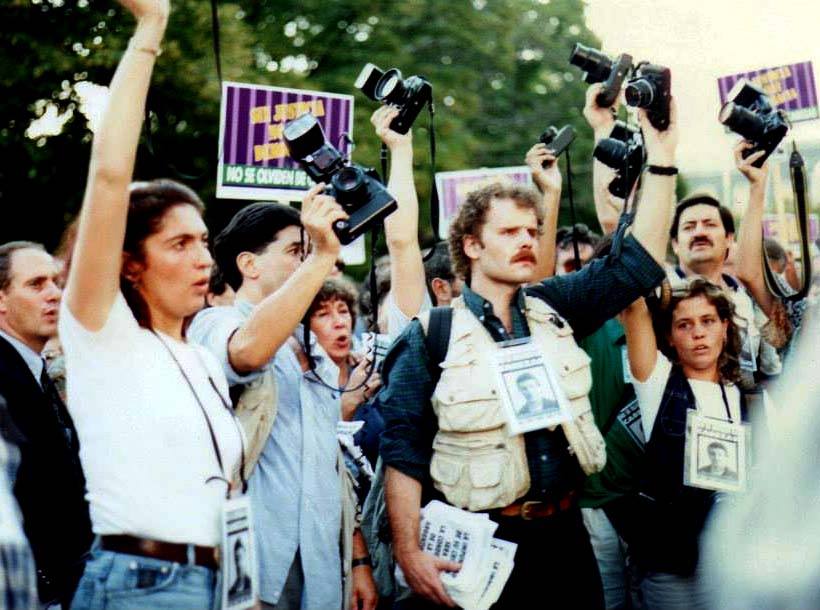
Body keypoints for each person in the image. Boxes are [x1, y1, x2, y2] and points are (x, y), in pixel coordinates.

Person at [379, 98, 679, 609]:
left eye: (533, 232)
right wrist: (408, 549)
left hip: (567, 538)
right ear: (472, 246)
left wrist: (664, 156)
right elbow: (402, 447)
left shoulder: (555, 308)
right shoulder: (432, 335)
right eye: (510, 232)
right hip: (487, 545)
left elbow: (639, 263)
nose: (527, 241)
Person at [60, 0, 245, 606]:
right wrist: (149, 33)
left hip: (220, 584)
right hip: (144, 583)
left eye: (204, 242)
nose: (203, 259)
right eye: (180, 243)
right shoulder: (101, 331)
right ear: (129, 263)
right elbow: (109, 178)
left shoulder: (199, 357)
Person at [189, 202, 378, 610]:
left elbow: (331, 460)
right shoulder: (214, 325)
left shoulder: (312, 345)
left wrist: (358, 558)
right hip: (259, 564)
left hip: (324, 561)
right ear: (249, 265)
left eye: (310, 251)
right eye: (297, 252)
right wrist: (324, 256)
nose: (309, 261)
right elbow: (248, 351)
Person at [616, 278, 745, 609]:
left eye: (708, 322)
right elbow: (633, 308)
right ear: (670, 338)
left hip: (728, 560)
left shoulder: (741, 394)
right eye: (684, 325)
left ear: (725, 328)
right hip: (672, 564)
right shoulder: (657, 384)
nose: (698, 333)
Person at [0, 241, 91, 607]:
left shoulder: (32, 370)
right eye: (36, 284)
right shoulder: (4, 376)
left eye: (56, 281)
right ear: (2, 300)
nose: (55, 293)